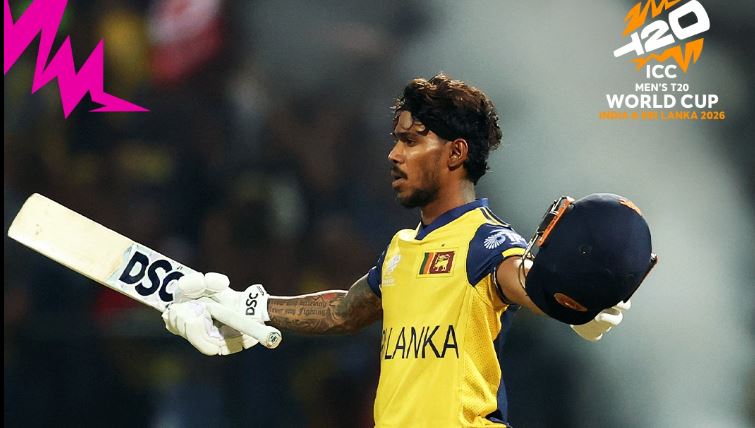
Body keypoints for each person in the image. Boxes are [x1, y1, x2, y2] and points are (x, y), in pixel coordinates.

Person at [162, 74, 638, 427]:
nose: (394, 154)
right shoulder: (401, 248)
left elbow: (525, 279)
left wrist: (579, 304)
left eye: (411, 140)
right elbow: (344, 312)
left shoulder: (488, 242)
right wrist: (250, 307)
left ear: (456, 153)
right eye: (396, 140)